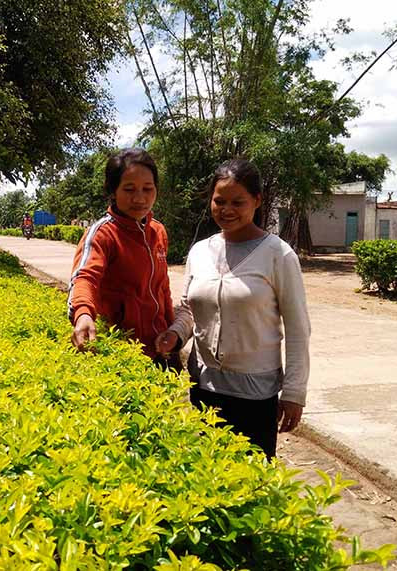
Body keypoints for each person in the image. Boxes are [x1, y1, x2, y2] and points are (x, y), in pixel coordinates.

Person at [154, 159, 311, 458]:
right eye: (219, 201)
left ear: (257, 200)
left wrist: (294, 393)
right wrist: (175, 335)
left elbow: (298, 329)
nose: (226, 210)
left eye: (238, 202)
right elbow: (189, 310)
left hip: (255, 396)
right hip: (204, 389)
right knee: (207, 481)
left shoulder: (278, 255)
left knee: (251, 488)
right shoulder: (200, 251)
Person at [68, 148, 176, 366]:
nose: (140, 198)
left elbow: (162, 288)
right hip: (122, 355)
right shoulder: (102, 234)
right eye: (129, 189)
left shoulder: (158, 232)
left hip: (160, 350)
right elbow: (84, 278)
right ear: (113, 191)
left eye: (148, 189)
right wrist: (83, 314)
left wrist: (172, 330)